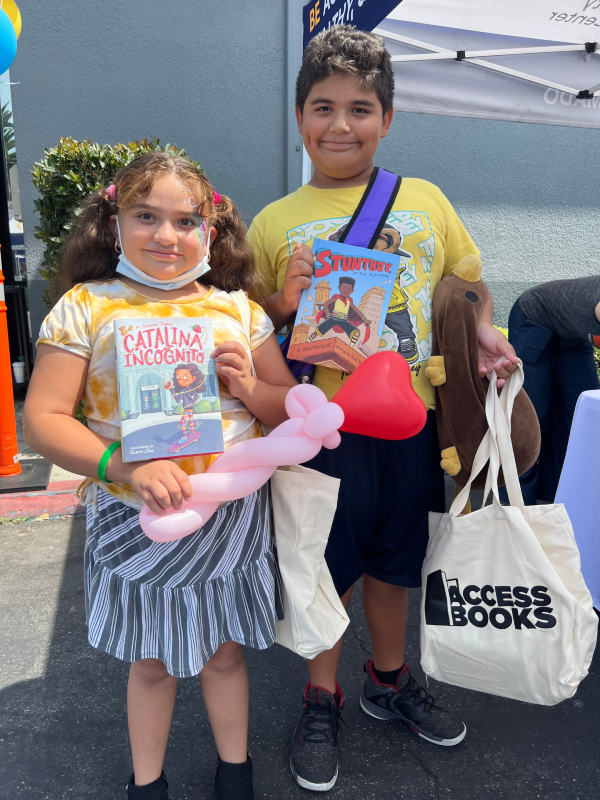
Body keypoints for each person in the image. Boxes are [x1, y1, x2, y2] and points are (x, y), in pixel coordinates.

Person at [248, 25, 519, 792]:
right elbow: (249, 325)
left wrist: (486, 328)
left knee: (397, 561)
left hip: (412, 421)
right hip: (319, 426)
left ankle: (389, 680)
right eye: (324, 107)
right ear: (300, 117)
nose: (341, 125)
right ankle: (321, 695)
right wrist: (282, 299)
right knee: (324, 565)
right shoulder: (275, 221)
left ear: (387, 118)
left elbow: (466, 286)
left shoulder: (426, 200)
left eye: (361, 108)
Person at [23, 152, 297, 800]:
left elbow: (289, 407)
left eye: (186, 220)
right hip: (135, 518)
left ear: (213, 229)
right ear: (113, 221)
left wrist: (251, 385)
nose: (166, 236)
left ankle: (237, 772)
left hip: (231, 516)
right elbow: (44, 418)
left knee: (226, 651)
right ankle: (147, 784)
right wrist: (126, 466)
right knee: (150, 662)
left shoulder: (239, 311)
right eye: (146, 215)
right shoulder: (85, 307)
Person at [508, 276, 600, 504]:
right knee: (532, 419)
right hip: (533, 319)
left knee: (584, 417)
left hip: (571, 337)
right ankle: (517, 508)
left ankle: (559, 500)